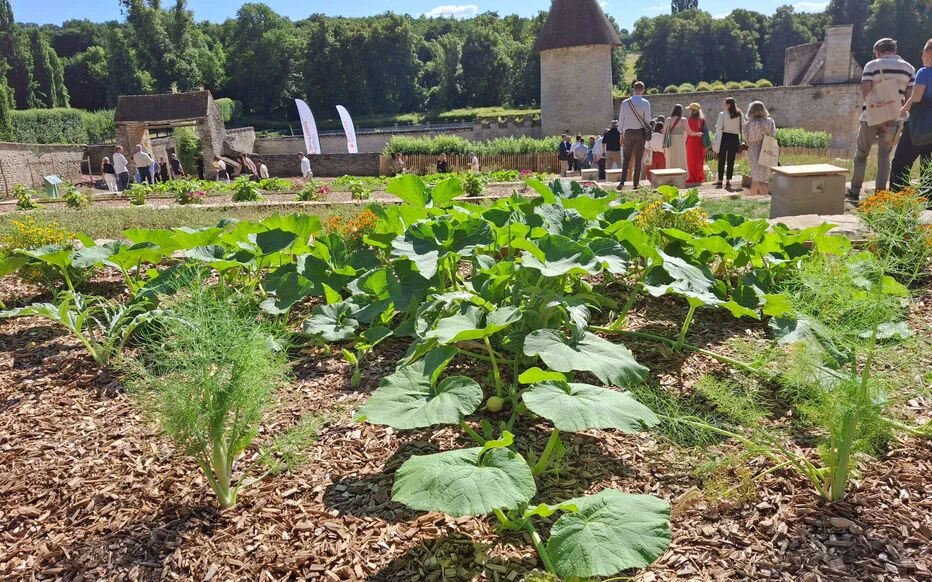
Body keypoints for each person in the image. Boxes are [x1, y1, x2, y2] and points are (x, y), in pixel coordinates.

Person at [848, 38, 916, 201]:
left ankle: (855, 190)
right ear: (894, 50)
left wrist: (878, 112)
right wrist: (893, 115)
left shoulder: (872, 66)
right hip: (894, 119)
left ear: (877, 51)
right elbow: (910, 97)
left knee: (862, 154)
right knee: (885, 156)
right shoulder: (909, 68)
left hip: (870, 117)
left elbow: (865, 91)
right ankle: (879, 194)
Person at [891, 38, 932, 197]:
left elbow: (916, 97)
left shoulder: (924, 72)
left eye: (923, 53)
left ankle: (897, 198)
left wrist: (902, 110)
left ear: (928, 53)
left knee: (901, 162)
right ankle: (929, 201)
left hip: (919, 125)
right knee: (928, 165)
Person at [618, 81, 652, 190]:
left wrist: (621, 133)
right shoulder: (645, 103)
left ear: (633, 89)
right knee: (638, 159)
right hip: (640, 133)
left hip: (628, 132)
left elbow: (621, 119)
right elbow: (648, 120)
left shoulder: (625, 103)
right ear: (643, 90)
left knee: (626, 158)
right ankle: (635, 184)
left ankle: (622, 182)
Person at [745, 101, 777, 197]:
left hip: (753, 151)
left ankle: (765, 200)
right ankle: (752, 199)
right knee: (759, 179)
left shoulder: (747, 124)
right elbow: (773, 135)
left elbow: (747, 140)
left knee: (758, 179)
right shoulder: (770, 121)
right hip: (767, 150)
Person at [714, 97, 746, 190]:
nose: (723, 105)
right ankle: (728, 181)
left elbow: (719, 127)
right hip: (734, 138)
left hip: (724, 137)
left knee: (722, 159)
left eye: (725, 103)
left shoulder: (722, 114)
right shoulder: (739, 114)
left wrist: (722, 128)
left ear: (728, 104)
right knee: (731, 160)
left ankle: (720, 180)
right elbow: (743, 125)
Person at [685, 103, 707, 186]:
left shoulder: (690, 119)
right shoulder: (702, 119)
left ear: (692, 110)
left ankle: (692, 178)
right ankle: (699, 177)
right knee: (699, 160)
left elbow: (688, 132)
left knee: (691, 160)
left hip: (691, 141)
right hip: (700, 141)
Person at [663, 104, 688, 173]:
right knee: (680, 159)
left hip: (670, 141)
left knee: (671, 159)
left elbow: (664, 133)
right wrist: (697, 133)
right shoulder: (684, 120)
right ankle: (681, 176)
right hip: (680, 141)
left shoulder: (668, 120)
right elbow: (689, 132)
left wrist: (663, 146)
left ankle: (671, 176)